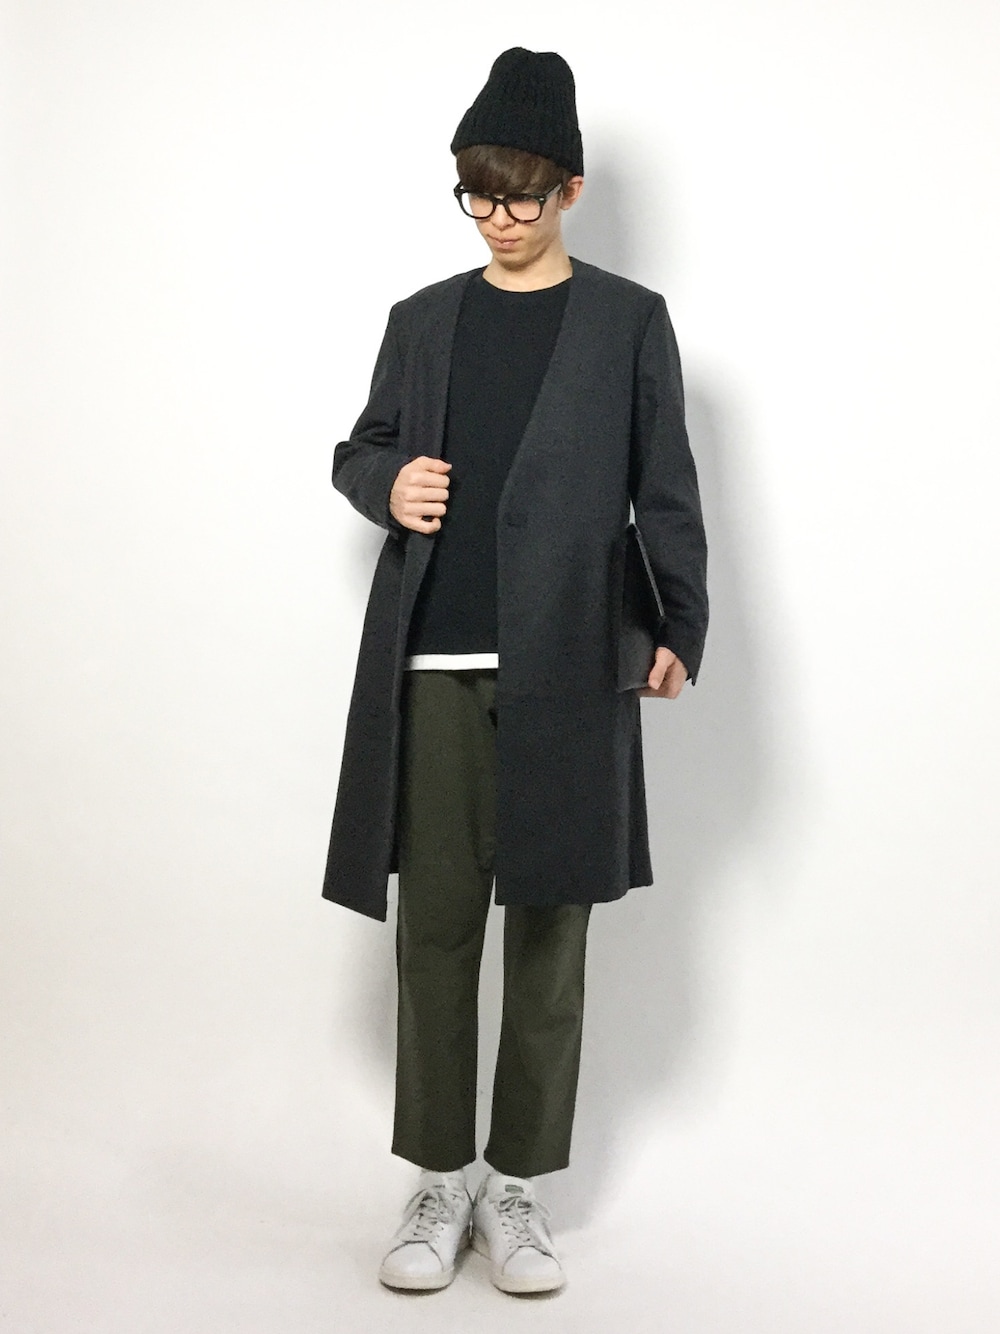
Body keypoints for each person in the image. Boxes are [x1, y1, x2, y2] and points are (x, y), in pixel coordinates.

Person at [322, 47, 709, 1296]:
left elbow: (664, 486)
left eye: (520, 196)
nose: (497, 217)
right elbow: (358, 448)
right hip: (433, 664)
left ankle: (517, 1183)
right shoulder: (421, 320)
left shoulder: (628, 321)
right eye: (476, 195)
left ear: (570, 190)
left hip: (570, 666)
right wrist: (388, 482)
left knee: (550, 931)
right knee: (435, 929)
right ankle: (438, 1174)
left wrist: (681, 622)